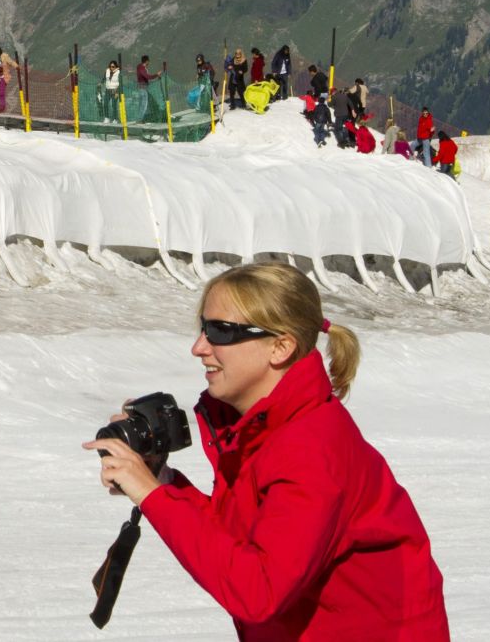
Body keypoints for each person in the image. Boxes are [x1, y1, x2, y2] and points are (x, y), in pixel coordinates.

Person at [86, 262, 449, 640]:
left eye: (220, 331)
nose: (199, 348)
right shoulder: (262, 430)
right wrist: (159, 480)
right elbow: (240, 545)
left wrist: (154, 494)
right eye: (202, 329)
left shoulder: (310, 445)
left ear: (281, 347)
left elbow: (258, 591)